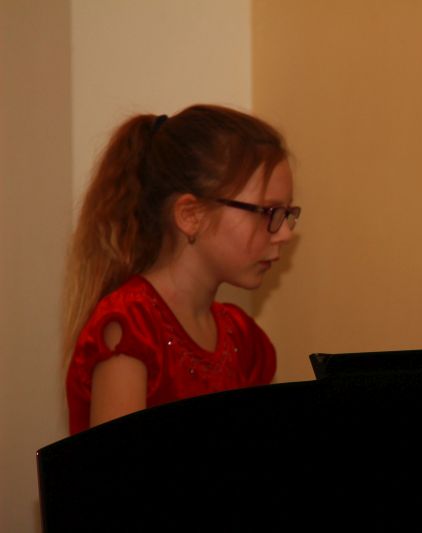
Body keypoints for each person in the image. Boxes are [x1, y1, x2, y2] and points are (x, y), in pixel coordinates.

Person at [63, 104, 300, 435]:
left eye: (287, 214)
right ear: (191, 215)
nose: (285, 233)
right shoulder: (130, 327)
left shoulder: (244, 339)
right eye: (269, 212)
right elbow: (115, 467)